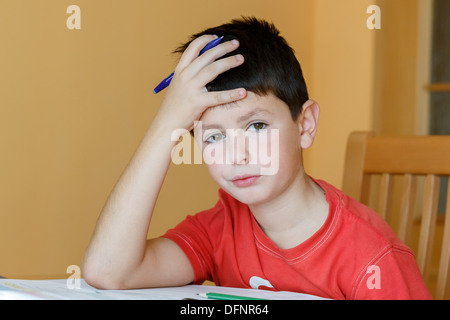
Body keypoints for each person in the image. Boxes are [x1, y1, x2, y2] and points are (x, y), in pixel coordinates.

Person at [82, 17, 432, 299]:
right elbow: (108, 272)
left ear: (305, 125)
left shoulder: (372, 257)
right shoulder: (220, 230)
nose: (237, 154)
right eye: (214, 136)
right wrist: (167, 124)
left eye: (257, 125)